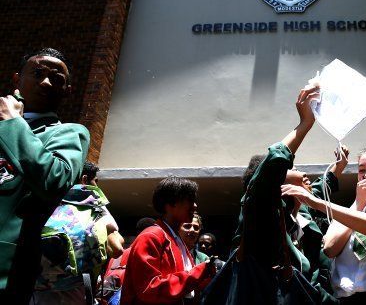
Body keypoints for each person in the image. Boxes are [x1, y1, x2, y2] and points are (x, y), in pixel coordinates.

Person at [203, 86, 341, 305]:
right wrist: (305, 124)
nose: (303, 173)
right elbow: (270, 170)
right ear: (277, 183)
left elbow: (319, 187)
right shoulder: (262, 220)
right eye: (292, 169)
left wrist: (338, 166)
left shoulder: (300, 217)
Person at [0, 48, 90, 303]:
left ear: (67, 90)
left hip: (9, 274)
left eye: (57, 78)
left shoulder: (69, 133)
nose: (46, 82)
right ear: (16, 79)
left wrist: (13, 124)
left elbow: (55, 180)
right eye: (37, 73)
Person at [282, 145, 366, 305]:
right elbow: (330, 248)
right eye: (361, 170)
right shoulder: (348, 214)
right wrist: (358, 203)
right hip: (347, 299)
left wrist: (317, 203)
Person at [31, 161, 124, 305]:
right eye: (96, 181)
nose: (97, 186)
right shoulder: (94, 207)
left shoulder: (43, 199)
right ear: (85, 180)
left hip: (37, 289)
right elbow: (116, 249)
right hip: (75, 291)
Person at [120, 177, 214, 305]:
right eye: (190, 200)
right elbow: (149, 289)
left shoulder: (176, 239)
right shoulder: (151, 237)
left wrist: (207, 274)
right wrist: (199, 272)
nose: (195, 206)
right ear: (171, 204)